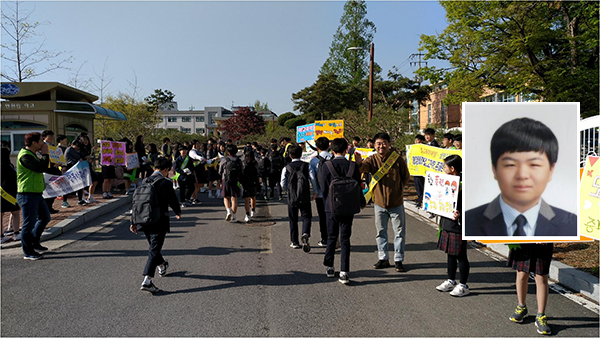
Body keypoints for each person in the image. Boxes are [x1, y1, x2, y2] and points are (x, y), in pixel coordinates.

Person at [464, 117, 576, 237]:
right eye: (510, 165)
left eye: (534, 164)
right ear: (494, 169)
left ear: (551, 170)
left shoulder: (571, 225)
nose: (522, 175)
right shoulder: (470, 220)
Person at [355, 132, 410, 272]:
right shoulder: (372, 159)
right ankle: (383, 258)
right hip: (379, 203)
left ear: (389, 144)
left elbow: (405, 177)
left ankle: (399, 259)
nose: (381, 146)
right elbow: (362, 168)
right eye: (378, 143)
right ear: (374, 145)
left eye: (384, 143)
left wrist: (397, 190)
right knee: (381, 232)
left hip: (396, 203)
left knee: (399, 233)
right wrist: (359, 162)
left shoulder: (397, 160)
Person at [130, 157, 181, 293]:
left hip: (143, 219)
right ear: (165, 170)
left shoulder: (144, 181)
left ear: (154, 168)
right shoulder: (165, 183)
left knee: (154, 247)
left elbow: (136, 202)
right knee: (154, 248)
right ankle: (147, 280)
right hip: (159, 221)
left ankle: (162, 265)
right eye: (167, 171)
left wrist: (133, 221)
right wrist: (178, 212)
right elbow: (173, 200)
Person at [320, 138, 365, 284]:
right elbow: (358, 185)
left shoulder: (327, 165)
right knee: (345, 239)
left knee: (332, 237)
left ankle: (330, 267)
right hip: (349, 206)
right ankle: (344, 271)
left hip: (331, 206)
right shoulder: (352, 166)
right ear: (347, 149)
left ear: (332, 150)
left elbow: (324, 188)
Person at [434, 155, 470, 297]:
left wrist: (460, 213)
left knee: (461, 255)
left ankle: (463, 285)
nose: (443, 169)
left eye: (445, 167)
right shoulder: (444, 182)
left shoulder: (464, 184)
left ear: (452, 169)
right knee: (450, 254)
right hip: (447, 222)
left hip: (459, 225)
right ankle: (451, 280)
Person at [16, 132, 51, 260]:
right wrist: (46, 154)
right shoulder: (25, 156)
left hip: (36, 192)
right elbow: (41, 167)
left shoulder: (33, 154)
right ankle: (28, 251)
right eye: (41, 141)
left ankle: (34, 242)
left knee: (45, 217)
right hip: (27, 194)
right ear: (34, 143)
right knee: (28, 224)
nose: (43, 143)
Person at [281, 144, 312, 251]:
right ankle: (305, 233)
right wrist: (315, 192)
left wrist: (288, 190)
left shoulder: (287, 167)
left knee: (293, 219)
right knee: (306, 216)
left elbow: (282, 183)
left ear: (290, 155)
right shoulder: (306, 165)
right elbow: (312, 179)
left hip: (292, 197)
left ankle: (294, 241)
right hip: (304, 195)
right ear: (301, 154)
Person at [308, 137, 332, 247]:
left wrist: (316, 191)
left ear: (317, 147)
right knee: (333, 216)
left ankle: (324, 239)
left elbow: (312, 178)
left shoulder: (314, 161)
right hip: (334, 193)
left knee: (322, 217)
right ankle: (334, 238)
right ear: (329, 146)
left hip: (321, 194)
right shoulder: (333, 157)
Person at [1, 147, 21, 244]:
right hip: (10, 193)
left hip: (2, 193)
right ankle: (16, 233)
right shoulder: (9, 166)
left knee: (1, 214)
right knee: (15, 212)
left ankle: (1, 236)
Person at [219, 144, 243, 222]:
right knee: (234, 198)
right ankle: (234, 216)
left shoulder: (224, 160)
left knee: (226, 197)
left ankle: (228, 211)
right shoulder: (238, 160)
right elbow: (242, 170)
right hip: (235, 181)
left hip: (225, 180)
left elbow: (220, 171)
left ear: (228, 152)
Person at [41, 130, 61, 214]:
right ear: (44, 137)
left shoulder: (53, 147)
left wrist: (59, 162)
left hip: (53, 169)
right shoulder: (42, 146)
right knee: (47, 190)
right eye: (50, 136)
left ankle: (50, 207)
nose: (52, 138)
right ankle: (46, 208)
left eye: (52, 136)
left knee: (54, 189)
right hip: (47, 170)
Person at [64, 140, 87, 206]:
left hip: (75, 169)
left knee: (79, 185)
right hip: (69, 169)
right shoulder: (70, 149)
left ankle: (80, 200)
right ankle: (64, 201)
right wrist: (79, 159)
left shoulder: (75, 150)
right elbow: (77, 157)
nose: (78, 148)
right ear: (72, 144)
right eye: (77, 146)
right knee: (67, 186)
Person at [77, 133, 99, 204]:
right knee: (82, 183)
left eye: (87, 140)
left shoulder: (89, 148)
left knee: (95, 181)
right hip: (82, 167)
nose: (86, 141)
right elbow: (78, 157)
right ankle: (82, 197)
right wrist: (85, 158)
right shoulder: (79, 149)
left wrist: (91, 159)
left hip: (88, 166)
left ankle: (90, 196)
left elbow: (92, 157)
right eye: (84, 140)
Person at [241, 150, 260, 222]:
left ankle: (247, 214)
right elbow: (257, 172)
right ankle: (253, 210)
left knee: (246, 199)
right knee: (253, 197)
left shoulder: (243, 163)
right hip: (253, 181)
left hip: (245, 182)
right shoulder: (255, 163)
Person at [189, 140, 208, 204]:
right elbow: (195, 157)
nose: (199, 145)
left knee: (201, 184)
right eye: (197, 144)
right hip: (196, 169)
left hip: (201, 168)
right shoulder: (192, 152)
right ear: (193, 145)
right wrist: (201, 158)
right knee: (196, 184)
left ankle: (193, 197)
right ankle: (194, 198)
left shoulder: (198, 151)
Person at [413, 134, 427, 208]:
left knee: (421, 185)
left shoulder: (426, 149)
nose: (416, 142)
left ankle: (421, 200)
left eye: (417, 140)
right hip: (416, 170)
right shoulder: (414, 148)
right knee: (417, 185)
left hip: (422, 171)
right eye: (415, 140)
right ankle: (419, 199)